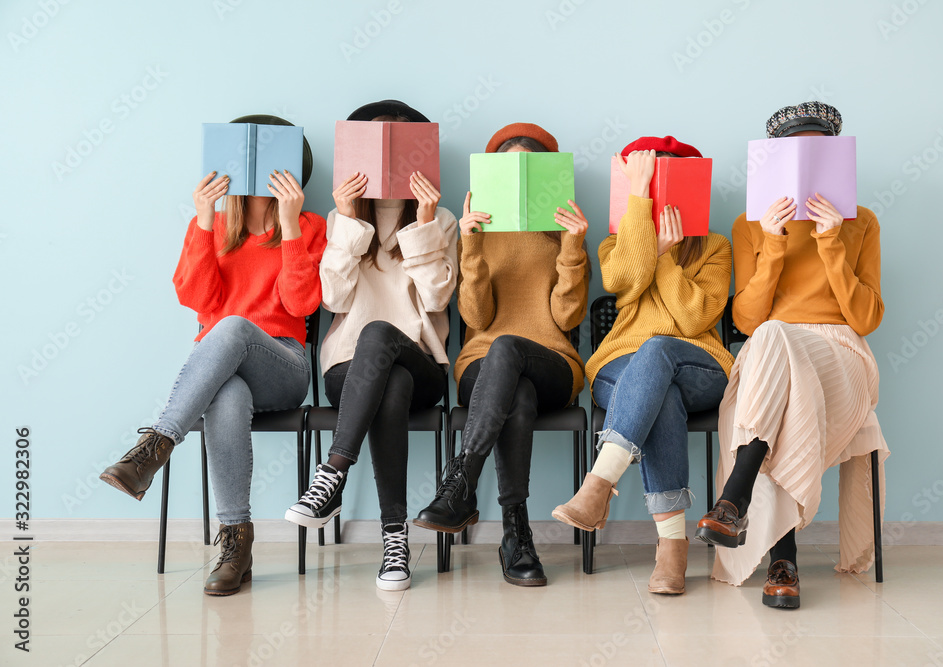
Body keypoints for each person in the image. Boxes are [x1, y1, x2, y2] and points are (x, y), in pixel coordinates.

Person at [100, 115, 324, 596]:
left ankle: (156, 443)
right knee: (227, 393)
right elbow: (195, 298)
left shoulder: (309, 226)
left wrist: (288, 226)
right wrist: (204, 219)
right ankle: (236, 543)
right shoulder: (214, 225)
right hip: (221, 372)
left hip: (283, 365)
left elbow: (302, 305)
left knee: (234, 327)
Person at [695, 101, 889, 609]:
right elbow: (747, 321)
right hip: (771, 356)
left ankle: (737, 500)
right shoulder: (750, 223)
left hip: (840, 353)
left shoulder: (861, 222)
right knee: (773, 342)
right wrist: (775, 244)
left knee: (773, 347)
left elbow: (866, 319)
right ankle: (783, 563)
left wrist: (831, 244)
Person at [284, 100, 457, 591]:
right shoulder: (342, 221)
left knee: (382, 336)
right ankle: (395, 540)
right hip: (350, 370)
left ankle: (332, 474)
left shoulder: (440, 219)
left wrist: (423, 226)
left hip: (423, 363)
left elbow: (438, 297)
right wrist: (347, 222)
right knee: (389, 380)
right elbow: (333, 298)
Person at [553, 136, 733, 595]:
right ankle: (672, 553)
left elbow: (693, 317)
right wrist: (640, 201)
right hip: (621, 365)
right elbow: (620, 279)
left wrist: (670, 257)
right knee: (660, 396)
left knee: (658, 349)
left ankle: (598, 484)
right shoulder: (620, 238)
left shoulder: (715, 247)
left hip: (700, 364)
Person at [413, 123, 590, 587]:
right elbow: (477, 315)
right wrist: (471, 246)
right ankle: (517, 533)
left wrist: (572, 247)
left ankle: (461, 483)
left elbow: (567, 320)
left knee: (510, 348)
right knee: (518, 390)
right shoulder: (478, 234)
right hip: (484, 366)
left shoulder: (563, 235)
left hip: (554, 361)